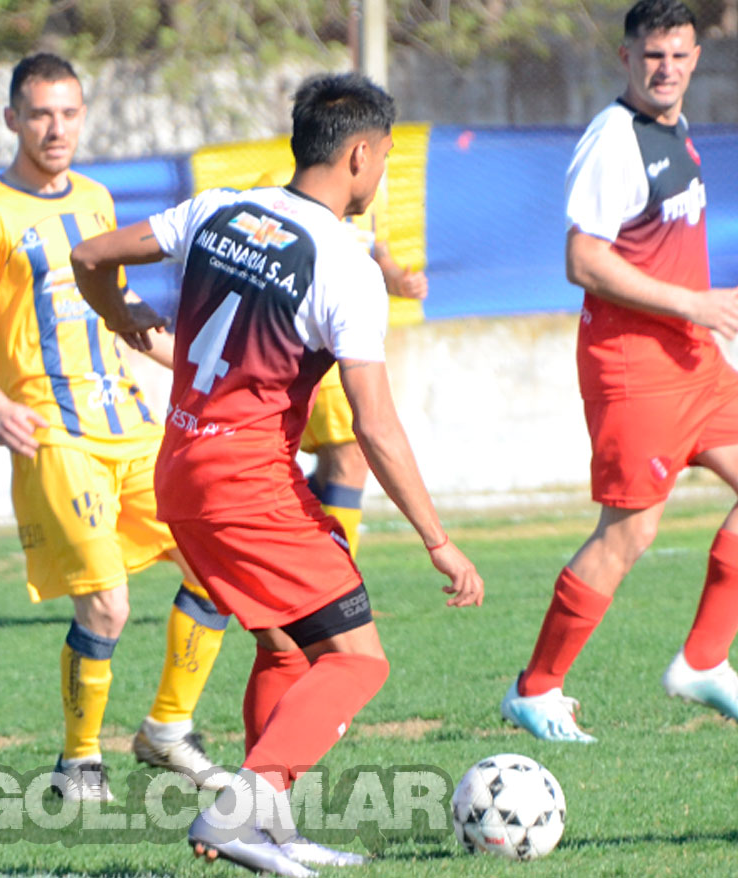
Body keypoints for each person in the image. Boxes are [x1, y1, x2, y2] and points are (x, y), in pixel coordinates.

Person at [72, 72, 484, 877]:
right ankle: (238, 811)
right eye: (384, 159)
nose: (381, 174)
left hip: (180, 471)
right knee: (358, 660)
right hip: (247, 485)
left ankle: (271, 831)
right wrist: (438, 540)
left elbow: (90, 256)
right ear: (360, 155)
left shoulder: (217, 209)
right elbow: (374, 425)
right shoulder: (344, 265)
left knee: (288, 650)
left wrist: (123, 319)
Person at [500, 0, 738, 743]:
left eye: (678, 55)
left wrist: (694, 312)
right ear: (626, 59)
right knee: (629, 532)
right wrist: (691, 302)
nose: (665, 69)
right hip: (635, 367)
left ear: (695, 57)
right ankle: (536, 689)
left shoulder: (673, 127)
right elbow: (583, 259)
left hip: (693, 360)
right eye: (652, 56)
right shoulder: (613, 141)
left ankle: (703, 661)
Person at [0, 52, 231, 800]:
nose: (55, 128)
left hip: (130, 422)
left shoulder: (97, 201)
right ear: (12, 119)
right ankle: (79, 763)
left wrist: (196, 369)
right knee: (107, 602)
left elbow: (118, 308)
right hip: (55, 432)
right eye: (39, 113)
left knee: (216, 566)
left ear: (83, 117)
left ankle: (168, 730)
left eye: (68, 113)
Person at [300, 184, 429, 558]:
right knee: (352, 455)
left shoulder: (374, 193)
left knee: (333, 466)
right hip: (316, 345)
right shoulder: (285, 184)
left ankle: (273, 548)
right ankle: (337, 578)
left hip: (350, 343)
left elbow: (379, 256)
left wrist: (400, 281)